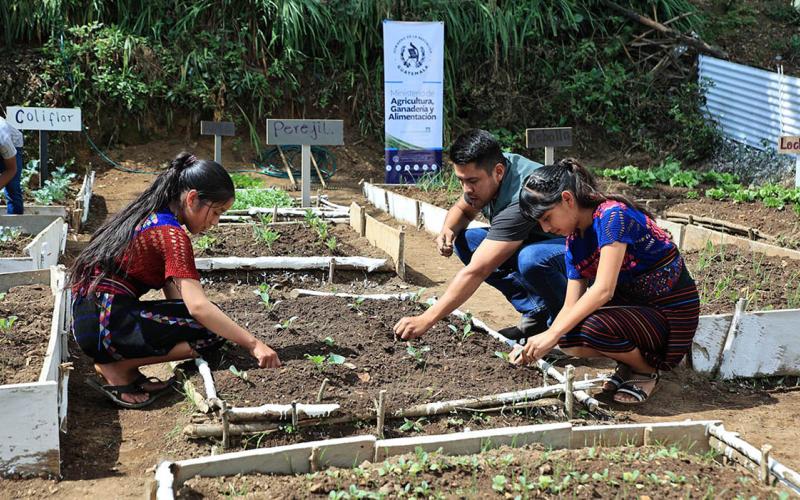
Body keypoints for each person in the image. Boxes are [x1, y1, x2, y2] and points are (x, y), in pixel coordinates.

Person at [69, 152, 281, 409]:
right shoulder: (171, 234)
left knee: (204, 323)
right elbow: (198, 307)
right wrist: (253, 343)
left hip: (90, 319)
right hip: (106, 324)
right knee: (211, 331)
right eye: (216, 212)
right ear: (192, 199)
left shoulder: (150, 215)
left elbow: (177, 296)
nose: (216, 222)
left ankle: (124, 365)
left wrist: (184, 322)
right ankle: (118, 367)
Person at [512, 158, 700, 404]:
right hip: (633, 313)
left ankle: (646, 371)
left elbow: (603, 290)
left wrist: (552, 334)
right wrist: (545, 340)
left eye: (547, 217)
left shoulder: (612, 217)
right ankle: (628, 364)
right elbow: (569, 306)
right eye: (540, 223)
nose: (546, 228)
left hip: (669, 315)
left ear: (567, 199)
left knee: (590, 328)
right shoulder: (574, 241)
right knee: (567, 336)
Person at [394, 129, 567, 341]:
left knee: (531, 259)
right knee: (467, 242)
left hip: (576, 249)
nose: (466, 189)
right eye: (461, 180)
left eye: (472, 181)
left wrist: (426, 319)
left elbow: (478, 270)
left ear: (499, 172)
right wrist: (448, 229)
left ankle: (565, 329)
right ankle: (537, 311)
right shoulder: (492, 173)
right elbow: (463, 210)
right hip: (539, 241)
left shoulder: (522, 198)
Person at [0, 116, 24, 214]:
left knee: (12, 186)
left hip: (14, 144)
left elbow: (11, 170)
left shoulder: (4, 141)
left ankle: (14, 226)